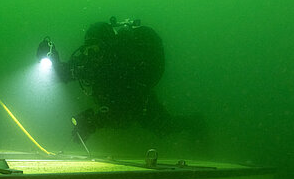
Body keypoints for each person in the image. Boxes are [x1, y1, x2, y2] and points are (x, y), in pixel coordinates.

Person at [38, 16, 190, 142]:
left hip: (141, 103)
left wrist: (93, 122)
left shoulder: (124, 65)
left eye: (96, 48)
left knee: (164, 127)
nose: (91, 54)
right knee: (163, 127)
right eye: (88, 48)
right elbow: (64, 73)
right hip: (116, 107)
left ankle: (196, 125)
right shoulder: (90, 62)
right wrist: (51, 58)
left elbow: (126, 115)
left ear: (108, 47)